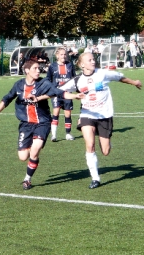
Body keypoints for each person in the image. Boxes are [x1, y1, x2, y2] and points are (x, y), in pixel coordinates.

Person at [0, 60, 84, 190]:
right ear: (27, 70)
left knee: (35, 150)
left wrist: (75, 96)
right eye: (35, 68)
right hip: (26, 124)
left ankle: (27, 179)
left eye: (39, 68)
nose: (39, 71)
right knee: (23, 157)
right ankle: (31, 157)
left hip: (42, 123)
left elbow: (59, 92)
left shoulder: (44, 83)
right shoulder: (19, 85)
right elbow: (6, 99)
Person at [59, 53, 142, 189]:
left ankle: (106, 141)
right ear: (81, 64)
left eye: (93, 59)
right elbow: (59, 91)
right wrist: (39, 96)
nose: (93, 62)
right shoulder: (77, 80)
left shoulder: (103, 74)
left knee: (105, 151)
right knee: (90, 144)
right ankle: (95, 178)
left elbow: (120, 77)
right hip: (87, 114)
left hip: (104, 115)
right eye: (89, 60)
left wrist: (134, 82)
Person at [46, 47, 76, 141]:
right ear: (57, 56)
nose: (63, 56)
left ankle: (68, 133)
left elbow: (74, 78)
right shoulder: (52, 66)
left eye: (65, 54)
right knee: (56, 112)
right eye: (61, 54)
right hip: (56, 93)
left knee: (67, 113)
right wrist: (51, 89)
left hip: (67, 93)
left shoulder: (70, 65)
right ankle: (54, 135)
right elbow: (48, 79)